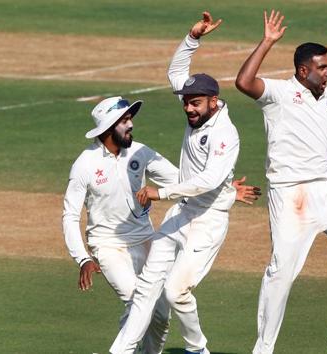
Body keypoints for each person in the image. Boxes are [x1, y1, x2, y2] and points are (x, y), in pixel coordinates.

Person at [63, 96, 258, 354]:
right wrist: (83, 258)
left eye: (130, 118)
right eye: (124, 120)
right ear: (108, 128)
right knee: (139, 300)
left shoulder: (140, 152)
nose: (131, 125)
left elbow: (182, 179)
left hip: (146, 239)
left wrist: (223, 188)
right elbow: (70, 215)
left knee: (160, 316)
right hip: (109, 246)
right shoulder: (84, 166)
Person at [235, 10, 327, 354]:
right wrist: (268, 42)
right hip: (290, 193)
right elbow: (243, 82)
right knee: (281, 272)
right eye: (323, 67)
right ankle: (263, 349)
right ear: (304, 70)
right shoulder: (278, 93)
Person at [109, 12, 239, 354]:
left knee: (175, 292)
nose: (188, 109)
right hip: (181, 214)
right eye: (185, 102)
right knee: (147, 287)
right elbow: (175, 74)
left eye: (195, 103)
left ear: (213, 100)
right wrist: (192, 38)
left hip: (207, 220)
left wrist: (161, 192)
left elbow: (209, 181)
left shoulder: (225, 133)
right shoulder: (198, 108)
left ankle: (198, 350)